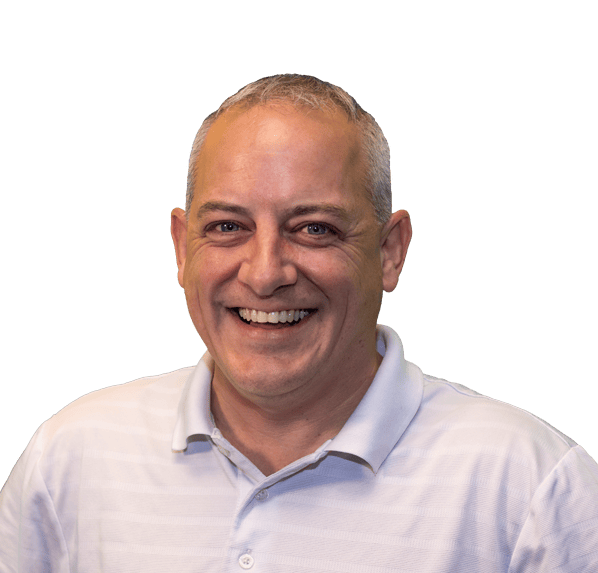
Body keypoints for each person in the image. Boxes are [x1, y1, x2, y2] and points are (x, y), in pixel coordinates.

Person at [1, 74, 597, 572]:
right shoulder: (70, 460)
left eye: (314, 228)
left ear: (389, 252)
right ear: (182, 250)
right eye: (228, 227)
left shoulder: (532, 489)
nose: (265, 274)